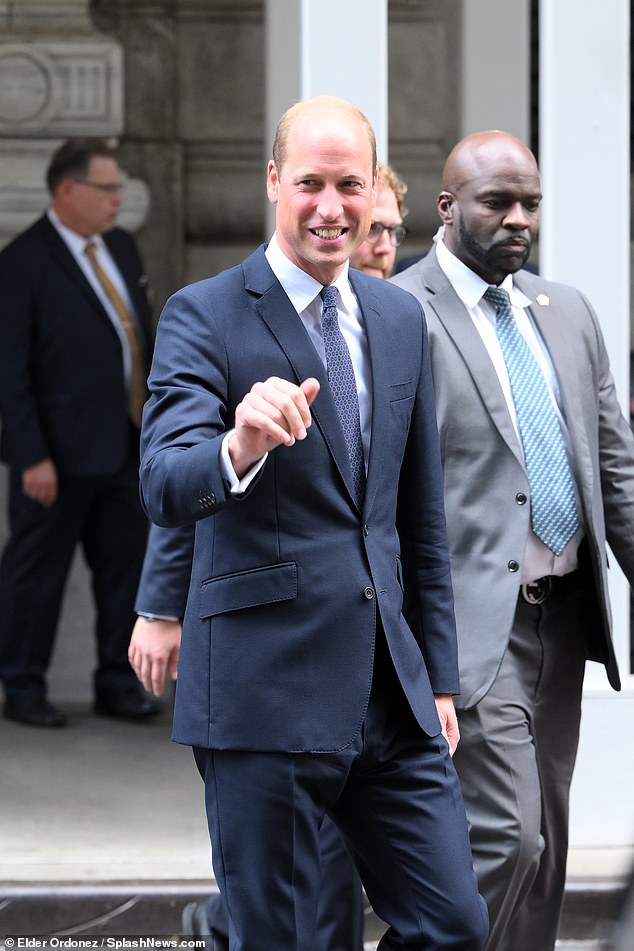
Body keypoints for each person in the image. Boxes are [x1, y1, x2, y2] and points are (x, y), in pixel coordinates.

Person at [138, 96, 488, 950]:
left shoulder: (399, 317)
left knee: (454, 924)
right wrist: (240, 443)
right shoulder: (205, 312)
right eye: (309, 184)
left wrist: (436, 676)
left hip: (389, 697)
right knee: (287, 936)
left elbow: (418, 520)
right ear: (272, 183)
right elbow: (163, 479)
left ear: (374, 191)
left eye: (348, 185)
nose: (330, 207)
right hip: (265, 695)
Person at [391, 130, 634, 951]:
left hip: (562, 620)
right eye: (498, 202)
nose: (519, 218)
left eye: (530, 203)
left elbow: (615, 470)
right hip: (467, 623)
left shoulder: (566, 312)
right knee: (505, 835)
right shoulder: (400, 311)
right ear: (448, 206)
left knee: (549, 849)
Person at [0, 138, 160, 727]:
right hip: (55, 457)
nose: (119, 198)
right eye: (107, 188)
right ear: (68, 191)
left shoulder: (120, 245)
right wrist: (30, 456)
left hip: (125, 441)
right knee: (36, 576)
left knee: (124, 571)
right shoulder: (22, 263)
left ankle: (117, 684)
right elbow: (9, 375)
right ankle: (21, 685)